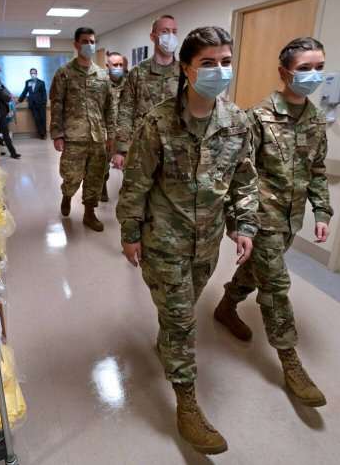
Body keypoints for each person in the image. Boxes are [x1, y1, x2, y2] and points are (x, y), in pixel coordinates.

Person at [116, 26, 259, 455]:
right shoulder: (158, 122)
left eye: (226, 62)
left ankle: (168, 341)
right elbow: (136, 184)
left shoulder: (237, 122)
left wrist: (243, 224)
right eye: (209, 63)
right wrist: (129, 232)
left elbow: (244, 180)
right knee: (182, 320)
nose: (220, 70)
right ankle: (187, 405)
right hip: (163, 239)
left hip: (207, 242)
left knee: (185, 307)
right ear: (187, 69)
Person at [216, 37, 333, 407]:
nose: (312, 75)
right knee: (277, 286)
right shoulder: (259, 116)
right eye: (304, 68)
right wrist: (240, 223)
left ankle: (225, 306)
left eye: (318, 67)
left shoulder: (316, 119)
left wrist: (323, 211)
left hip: (290, 219)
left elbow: (317, 169)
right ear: (284, 73)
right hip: (261, 217)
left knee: (256, 273)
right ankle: (290, 362)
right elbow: (240, 172)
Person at [49, 27, 115, 231]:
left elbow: (109, 107)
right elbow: (57, 104)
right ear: (76, 44)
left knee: (95, 177)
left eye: (92, 42)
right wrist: (57, 134)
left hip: (97, 137)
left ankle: (89, 213)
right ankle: (67, 195)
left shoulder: (103, 75)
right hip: (73, 135)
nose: (90, 45)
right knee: (72, 175)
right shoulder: (64, 74)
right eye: (85, 41)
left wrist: (111, 134)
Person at [112, 14, 181, 170]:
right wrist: (120, 149)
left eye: (174, 31)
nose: (171, 36)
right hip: (140, 148)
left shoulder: (185, 72)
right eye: (165, 31)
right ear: (153, 36)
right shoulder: (137, 73)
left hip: (176, 149)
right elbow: (125, 112)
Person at [100, 51, 127, 202]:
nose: (118, 67)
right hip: (106, 131)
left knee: (128, 165)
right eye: (115, 65)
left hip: (124, 130)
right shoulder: (101, 84)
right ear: (108, 66)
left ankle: (127, 193)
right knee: (103, 164)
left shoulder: (129, 85)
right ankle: (103, 187)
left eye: (121, 65)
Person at [0, 62, 20, 159]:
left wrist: (9, 96)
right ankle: (12, 152)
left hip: (2, 110)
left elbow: (3, 90)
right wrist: (8, 98)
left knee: (1, 131)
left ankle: (0, 150)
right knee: (4, 131)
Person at [18, 67, 48, 140]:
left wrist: (44, 103)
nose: (33, 74)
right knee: (37, 120)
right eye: (32, 73)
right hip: (32, 104)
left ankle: (44, 134)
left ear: (36, 73)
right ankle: (41, 134)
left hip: (41, 104)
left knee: (42, 119)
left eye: (34, 73)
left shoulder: (41, 82)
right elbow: (25, 91)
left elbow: (44, 93)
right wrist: (19, 100)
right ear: (30, 74)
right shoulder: (28, 82)